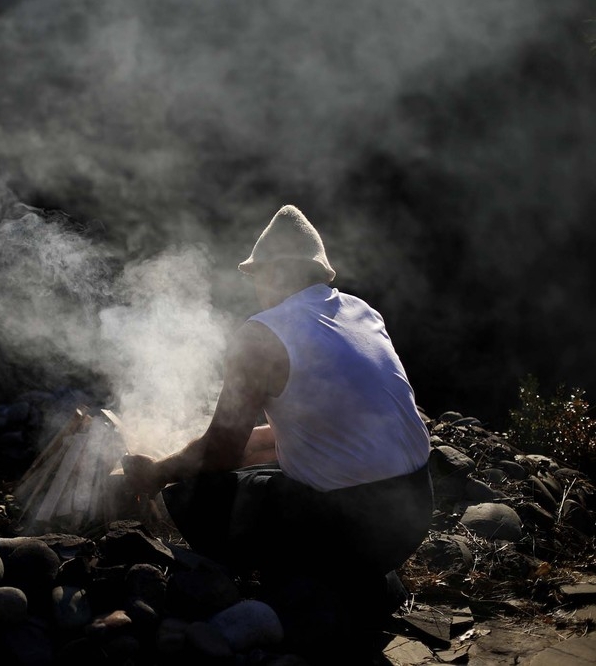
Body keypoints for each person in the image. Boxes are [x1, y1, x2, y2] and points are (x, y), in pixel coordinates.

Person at [122, 204, 434, 653]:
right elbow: (299, 437)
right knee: (265, 476)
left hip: (354, 532)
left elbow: (221, 455)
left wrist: (158, 473)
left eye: (254, 276)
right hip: (412, 515)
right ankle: (364, 582)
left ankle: (298, 589)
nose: (254, 287)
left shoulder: (261, 334)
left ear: (272, 274)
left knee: (197, 494)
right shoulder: (361, 311)